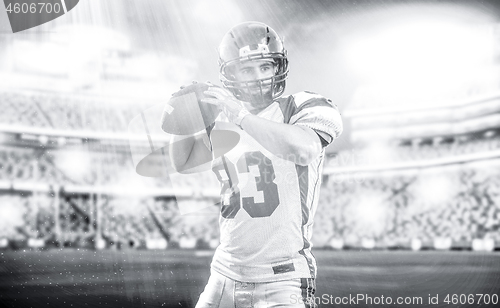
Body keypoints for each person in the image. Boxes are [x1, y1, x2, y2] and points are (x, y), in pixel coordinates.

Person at [169, 21, 342, 308]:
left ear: (278, 67)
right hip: (223, 272)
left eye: (265, 67)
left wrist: (239, 115)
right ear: (231, 74)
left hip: (282, 278)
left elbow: (302, 149)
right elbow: (183, 161)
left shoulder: (302, 106)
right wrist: (184, 117)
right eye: (247, 70)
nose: (258, 77)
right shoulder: (221, 120)